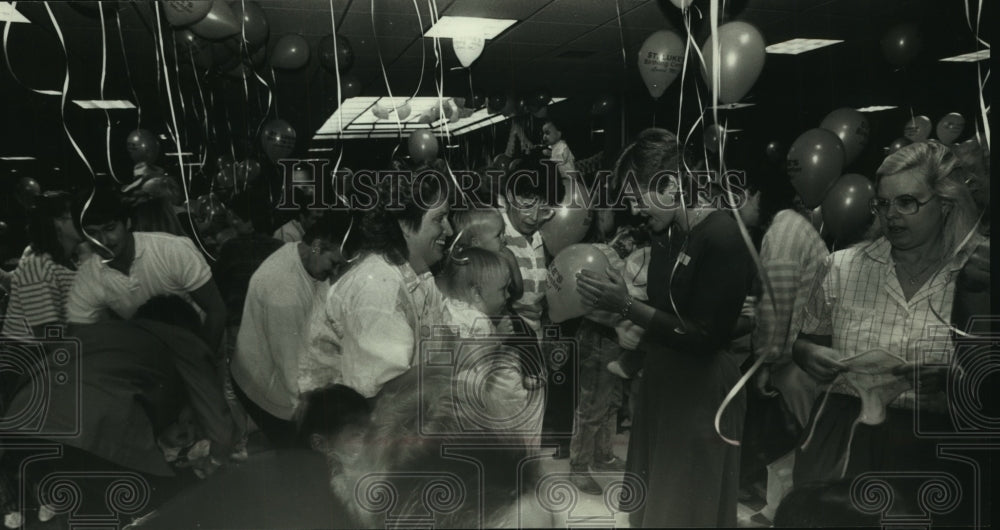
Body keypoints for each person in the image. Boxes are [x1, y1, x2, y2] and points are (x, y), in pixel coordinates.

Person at [576, 128, 754, 527]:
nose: (636, 211)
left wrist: (626, 305)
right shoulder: (667, 233)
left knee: (684, 506)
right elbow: (664, 311)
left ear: (671, 185)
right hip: (663, 383)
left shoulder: (723, 235)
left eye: (638, 199)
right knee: (654, 507)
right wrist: (629, 315)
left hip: (701, 393)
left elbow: (706, 336)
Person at [792, 141, 985, 503]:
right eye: (883, 203)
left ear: (945, 204)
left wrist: (951, 379)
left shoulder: (977, 275)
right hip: (843, 434)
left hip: (935, 445)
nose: (892, 215)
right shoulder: (842, 267)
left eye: (907, 202)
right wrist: (809, 355)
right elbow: (803, 342)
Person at [298, 173, 452, 399]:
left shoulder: (420, 272)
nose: (449, 230)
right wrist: (451, 362)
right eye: (439, 219)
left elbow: (441, 336)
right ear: (404, 225)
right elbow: (380, 394)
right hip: (339, 420)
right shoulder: (378, 286)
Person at [231, 210, 350, 448]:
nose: (335, 272)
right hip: (268, 389)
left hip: (279, 365)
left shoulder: (303, 254)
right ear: (317, 247)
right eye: (334, 263)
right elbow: (295, 377)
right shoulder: (284, 293)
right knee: (300, 454)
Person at [66, 188, 227, 353]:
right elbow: (79, 336)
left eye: (110, 228)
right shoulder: (88, 275)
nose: (102, 241)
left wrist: (200, 362)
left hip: (201, 339)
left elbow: (216, 311)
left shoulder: (173, 249)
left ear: (127, 222)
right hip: (150, 352)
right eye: (92, 233)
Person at [1, 191, 82, 341]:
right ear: (57, 222)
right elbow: (46, 333)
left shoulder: (72, 263)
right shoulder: (38, 265)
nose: (83, 220)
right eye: (76, 215)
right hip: (33, 359)